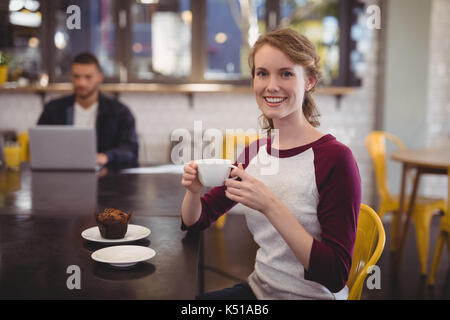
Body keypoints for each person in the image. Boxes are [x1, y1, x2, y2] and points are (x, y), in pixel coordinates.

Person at [180, 28, 361, 300]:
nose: (271, 86)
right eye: (262, 73)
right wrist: (193, 192)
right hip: (259, 291)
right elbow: (198, 220)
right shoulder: (255, 152)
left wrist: (270, 204)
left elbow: (335, 276)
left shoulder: (335, 158)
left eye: (286, 73)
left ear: (309, 80)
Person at [37, 52, 138, 166]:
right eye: (76, 76)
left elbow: (131, 150)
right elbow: (39, 145)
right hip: (61, 172)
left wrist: (105, 157)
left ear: (99, 78)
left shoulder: (120, 112)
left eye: (88, 77)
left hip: (105, 178)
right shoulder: (53, 109)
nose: (81, 83)